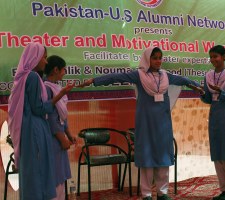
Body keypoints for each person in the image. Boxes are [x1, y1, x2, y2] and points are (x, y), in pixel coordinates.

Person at [78, 46, 200, 200]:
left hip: (163, 124)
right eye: (154, 58)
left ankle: (163, 193)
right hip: (146, 123)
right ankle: (147, 194)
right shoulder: (139, 75)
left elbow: (184, 80)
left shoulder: (166, 76)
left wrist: (197, 85)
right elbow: (116, 77)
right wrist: (94, 81)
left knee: (163, 158)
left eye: (160, 58)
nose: (158, 61)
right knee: (147, 158)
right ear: (148, 59)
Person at [8, 42, 74, 200]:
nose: (46, 61)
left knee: (31, 169)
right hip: (35, 128)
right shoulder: (32, 77)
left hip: (28, 127)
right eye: (43, 57)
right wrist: (60, 95)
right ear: (34, 58)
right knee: (38, 169)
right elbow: (38, 108)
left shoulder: (23, 77)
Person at [198, 45, 225, 200]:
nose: (213, 59)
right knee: (217, 152)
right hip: (214, 115)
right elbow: (209, 98)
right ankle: (223, 189)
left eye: (216, 56)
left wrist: (222, 92)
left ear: (223, 57)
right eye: (211, 57)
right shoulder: (208, 75)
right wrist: (202, 94)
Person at [44, 55, 76, 199]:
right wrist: (62, 138)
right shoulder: (46, 89)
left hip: (60, 137)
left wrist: (68, 134)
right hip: (53, 139)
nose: (64, 73)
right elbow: (50, 117)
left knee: (61, 175)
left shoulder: (57, 88)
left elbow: (62, 116)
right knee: (55, 176)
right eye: (63, 70)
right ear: (56, 70)